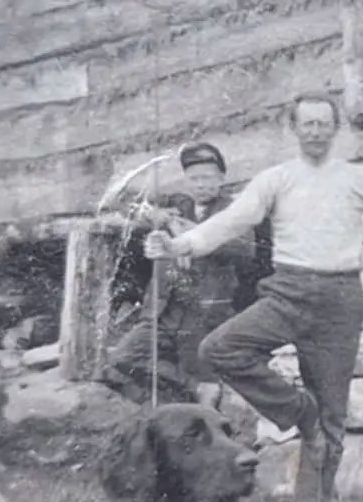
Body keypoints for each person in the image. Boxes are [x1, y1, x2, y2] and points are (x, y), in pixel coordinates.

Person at [144, 95, 363, 502]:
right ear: (294, 128)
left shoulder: (357, 177)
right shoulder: (276, 179)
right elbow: (231, 223)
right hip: (288, 292)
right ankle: (300, 412)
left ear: (335, 129)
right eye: (308, 124)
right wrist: (178, 245)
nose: (315, 131)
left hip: (340, 299)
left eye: (323, 124)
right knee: (218, 350)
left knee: (332, 417)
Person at [99, 142, 262, 407]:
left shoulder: (234, 211)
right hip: (162, 310)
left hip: (203, 314)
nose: (201, 185)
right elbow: (119, 198)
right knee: (122, 359)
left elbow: (245, 250)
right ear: (186, 180)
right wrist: (162, 217)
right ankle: (188, 389)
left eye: (208, 178)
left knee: (206, 388)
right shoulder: (177, 204)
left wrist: (188, 235)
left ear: (222, 178)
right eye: (195, 178)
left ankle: (199, 410)